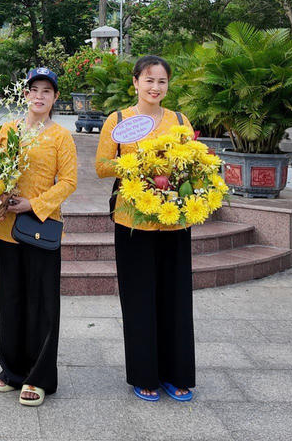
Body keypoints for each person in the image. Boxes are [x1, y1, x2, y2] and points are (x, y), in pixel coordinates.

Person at [94, 55, 196, 403]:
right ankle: (145, 375)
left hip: (174, 221)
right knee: (139, 299)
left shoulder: (179, 120)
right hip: (132, 221)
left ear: (168, 86)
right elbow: (102, 167)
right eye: (148, 80)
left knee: (176, 298)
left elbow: (192, 162)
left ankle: (176, 373)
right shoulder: (118, 120)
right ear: (135, 82)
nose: (155, 87)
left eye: (162, 81)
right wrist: (138, 165)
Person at [0, 67, 77, 407]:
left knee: (42, 304)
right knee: (10, 301)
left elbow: (68, 182)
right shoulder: (7, 129)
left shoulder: (60, 136)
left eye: (47, 91)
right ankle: (12, 370)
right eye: (33, 90)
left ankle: (39, 377)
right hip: (7, 229)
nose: (39, 96)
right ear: (25, 94)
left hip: (41, 229)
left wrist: (34, 204)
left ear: (55, 98)